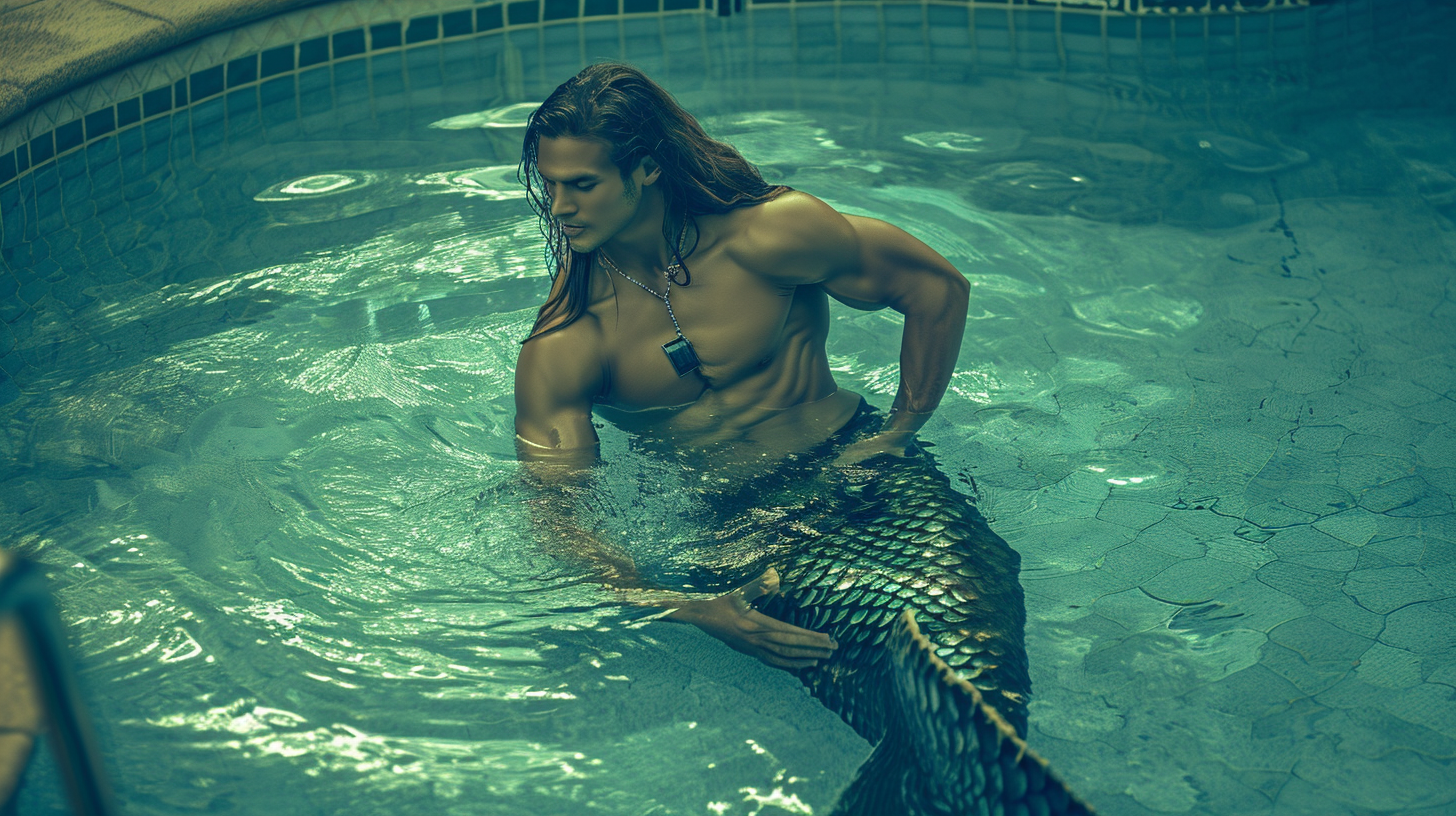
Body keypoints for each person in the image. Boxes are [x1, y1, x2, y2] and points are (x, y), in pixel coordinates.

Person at [513, 63, 970, 673]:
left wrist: (900, 430)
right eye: (550, 185)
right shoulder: (568, 341)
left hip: (864, 473)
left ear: (646, 168)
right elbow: (555, 514)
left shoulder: (771, 236)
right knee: (883, 681)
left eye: (582, 184)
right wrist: (681, 606)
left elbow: (936, 290)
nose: (559, 207)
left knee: (972, 648)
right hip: (731, 528)